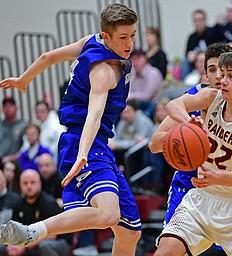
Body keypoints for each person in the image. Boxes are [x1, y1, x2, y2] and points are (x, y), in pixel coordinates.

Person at [0, 3, 141, 255]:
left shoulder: (91, 41)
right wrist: (84, 153)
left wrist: (24, 80)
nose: (130, 43)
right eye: (123, 37)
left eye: (133, 34)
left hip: (91, 144)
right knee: (109, 214)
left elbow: (48, 57)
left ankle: (32, 230)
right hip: (85, 142)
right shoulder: (105, 71)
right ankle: (32, 231)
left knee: (130, 232)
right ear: (107, 36)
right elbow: (94, 116)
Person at [151, 50, 232, 255]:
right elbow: (174, 104)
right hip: (201, 201)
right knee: (164, 251)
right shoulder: (210, 98)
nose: (222, 80)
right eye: (221, 74)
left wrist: (218, 177)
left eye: (231, 76)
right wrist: (187, 121)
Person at [0, 169, 72, 256]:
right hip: (28, 242)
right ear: (20, 185)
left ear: (40, 184)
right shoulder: (18, 204)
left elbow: (52, 235)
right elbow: (15, 231)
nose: (29, 186)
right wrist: (12, 246)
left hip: (58, 241)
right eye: (25, 183)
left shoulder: (48, 202)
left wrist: (24, 246)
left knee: (45, 246)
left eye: (32, 182)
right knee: (3, 248)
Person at [128, 49, 164, 117]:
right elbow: (127, 92)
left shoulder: (153, 73)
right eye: (133, 59)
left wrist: (130, 96)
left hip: (153, 106)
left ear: (145, 59)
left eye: (138, 58)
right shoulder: (133, 76)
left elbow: (146, 97)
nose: (135, 62)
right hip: (136, 105)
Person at [0, 96, 27, 164]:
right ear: (2, 109)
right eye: (5, 106)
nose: (8, 109)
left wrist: (11, 158)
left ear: (16, 108)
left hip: (16, 163)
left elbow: (27, 147)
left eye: (10, 106)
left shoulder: (23, 125)